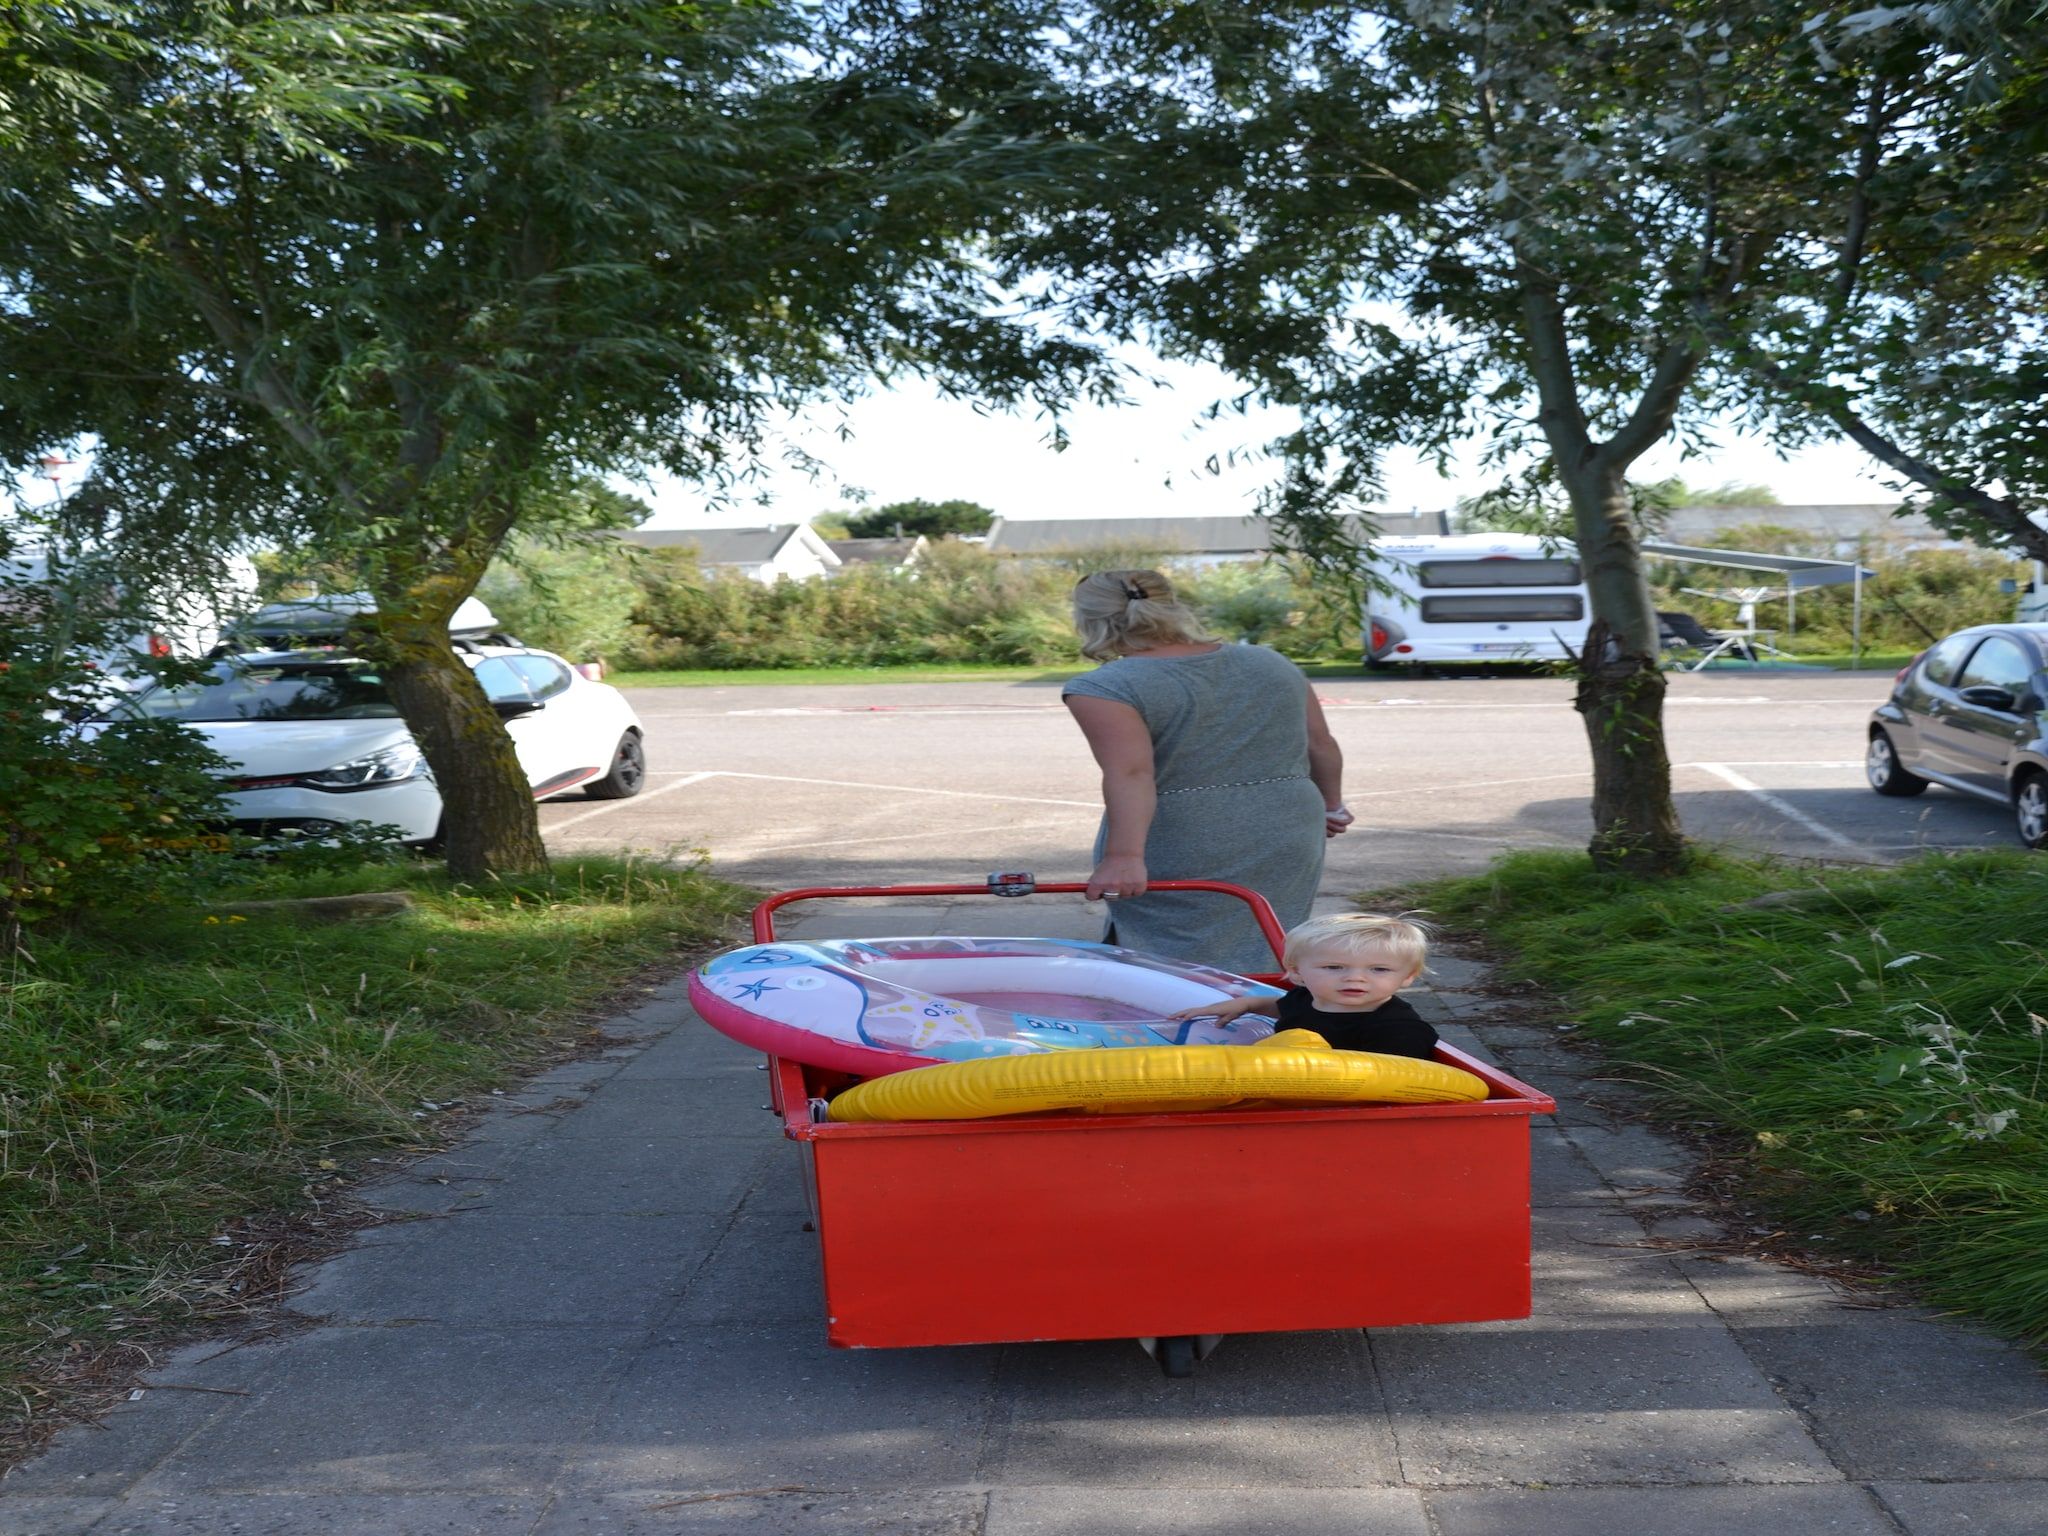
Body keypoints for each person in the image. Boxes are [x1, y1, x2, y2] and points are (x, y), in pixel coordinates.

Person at [1061, 568, 1352, 975]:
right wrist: (1332, 805)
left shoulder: (1107, 686)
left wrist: (1123, 857)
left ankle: (1182, 1032)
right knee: (1269, 936)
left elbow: (1131, 774)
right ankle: (1268, 1025)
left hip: (1186, 833)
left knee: (1172, 957)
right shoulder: (1270, 661)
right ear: (1172, 604)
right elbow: (1321, 744)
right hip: (1289, 823)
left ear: (1089, 618)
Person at [1170, 913, 1439, 1060]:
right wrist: (1246, 1004)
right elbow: (1282, 1006)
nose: (1355, 978)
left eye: (1379, 969)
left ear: (1408, 976)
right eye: (1334, 967)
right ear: (1297, 972)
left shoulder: (1399, 1030)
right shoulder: (1305, 998)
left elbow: (1395, 1081)